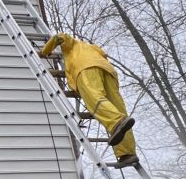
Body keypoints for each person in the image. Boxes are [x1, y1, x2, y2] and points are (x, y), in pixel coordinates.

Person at [39, 33, 139, 169]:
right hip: (108, 70)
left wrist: (45, 51)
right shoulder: (93, 49)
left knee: (95, 100)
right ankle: (127, 153)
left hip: (86, 68)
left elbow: (59, 37)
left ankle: (116, 121)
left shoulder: (73, 44)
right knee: (117, 107)